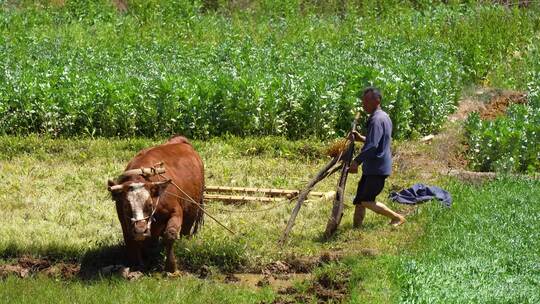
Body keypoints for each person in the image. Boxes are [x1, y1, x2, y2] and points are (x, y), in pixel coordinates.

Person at [349, 87, 405, 227]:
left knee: (366, 200)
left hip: (376, 167)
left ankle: (397, 217)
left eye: (367, 101)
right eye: (363, 101)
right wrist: (361, 138)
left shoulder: (376, 120)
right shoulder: (383, 117)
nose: (364, 104)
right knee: (360, 199)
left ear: (377, 100)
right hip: (374, 167)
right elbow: (377, 140)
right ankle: (356, 227)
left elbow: (373, 146)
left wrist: (356, 161)